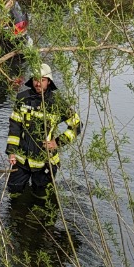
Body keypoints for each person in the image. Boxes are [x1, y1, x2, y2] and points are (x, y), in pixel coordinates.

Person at [6, 61, 80, 201]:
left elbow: (77, 125)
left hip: (45, 162)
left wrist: (57, 142)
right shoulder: (22, 99)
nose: (38, 83)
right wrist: (11, 151)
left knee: (42, 198)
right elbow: (14, 127)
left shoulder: (57, 103)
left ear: (49, 82)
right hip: (21, 160)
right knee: (14, 192)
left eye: (42, 80)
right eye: (35, 79)